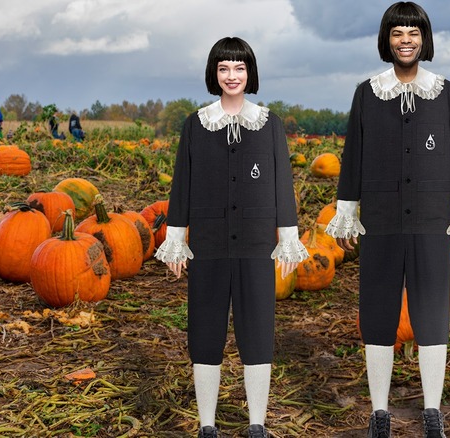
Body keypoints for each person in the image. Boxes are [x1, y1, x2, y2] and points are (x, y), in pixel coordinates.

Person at [325, 3, 450, 437]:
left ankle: (431, 410)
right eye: (398, 33)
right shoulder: (368, 92)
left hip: (431, 219)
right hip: (380, 219)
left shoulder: (445, 91)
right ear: (387, 40)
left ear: (424, 39)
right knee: (377, 313)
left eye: (413, 33)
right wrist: (347, 211)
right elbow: (353, 156)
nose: (406, 41)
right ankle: (380, 412)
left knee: (432, 313)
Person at [154, 37, 307, 438]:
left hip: (257, 243)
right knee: (205, 330)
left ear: (249, 73)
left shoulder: (268, 123)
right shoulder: (196, 124)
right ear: (214, 74)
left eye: (239, 68)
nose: (232, 75)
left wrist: (287, 237)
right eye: (224, 68)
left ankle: (256, 422)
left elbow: (282, 185)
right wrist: (176, 238)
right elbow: (182, 186)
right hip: (209, 243)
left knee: (258, 329)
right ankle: (207, 424)